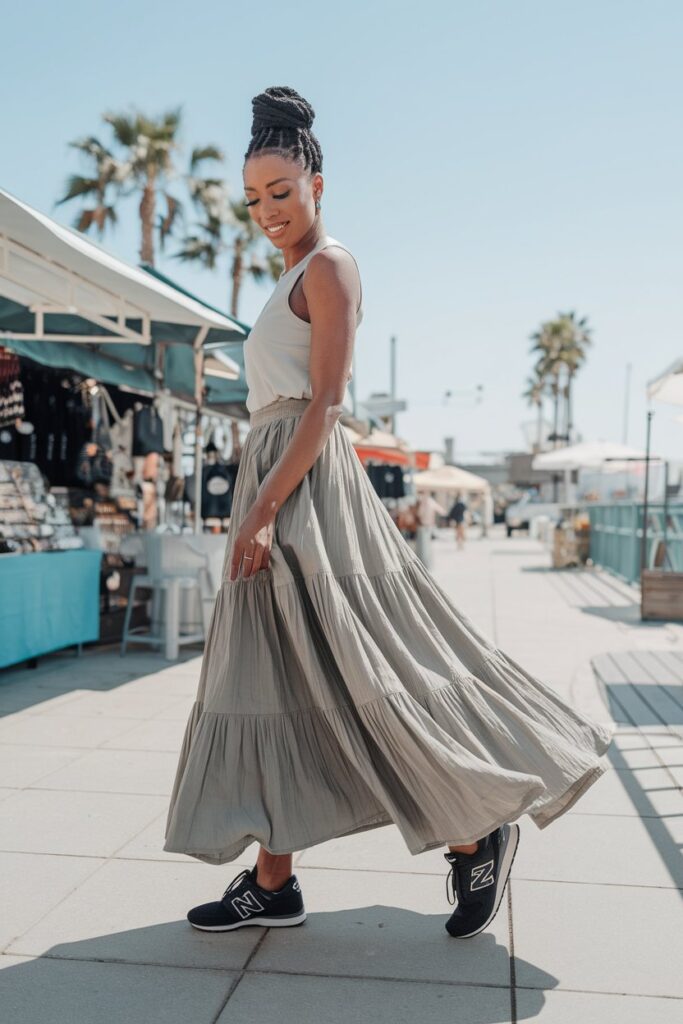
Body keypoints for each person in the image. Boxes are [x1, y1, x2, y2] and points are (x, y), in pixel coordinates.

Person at [163, 86, 614, 941]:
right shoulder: (290, 276)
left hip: (299, 494)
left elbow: (326, 405)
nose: (266, 212)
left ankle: (475, 831)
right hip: (276, 485)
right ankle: (273, 879)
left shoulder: (330, 268)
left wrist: (260, 509)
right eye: (253, 198)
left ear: (318, 187)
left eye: (281, 193)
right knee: (272, 677)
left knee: (363, 673)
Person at [415, 490, 446, 570]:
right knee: (427, 547)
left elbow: (419, 513)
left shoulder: (423, 502)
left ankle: (423, 565)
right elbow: (442, 511)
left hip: (422, 526)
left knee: (422, 547)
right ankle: (428, 565)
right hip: (429, 526)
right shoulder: (431, 502)